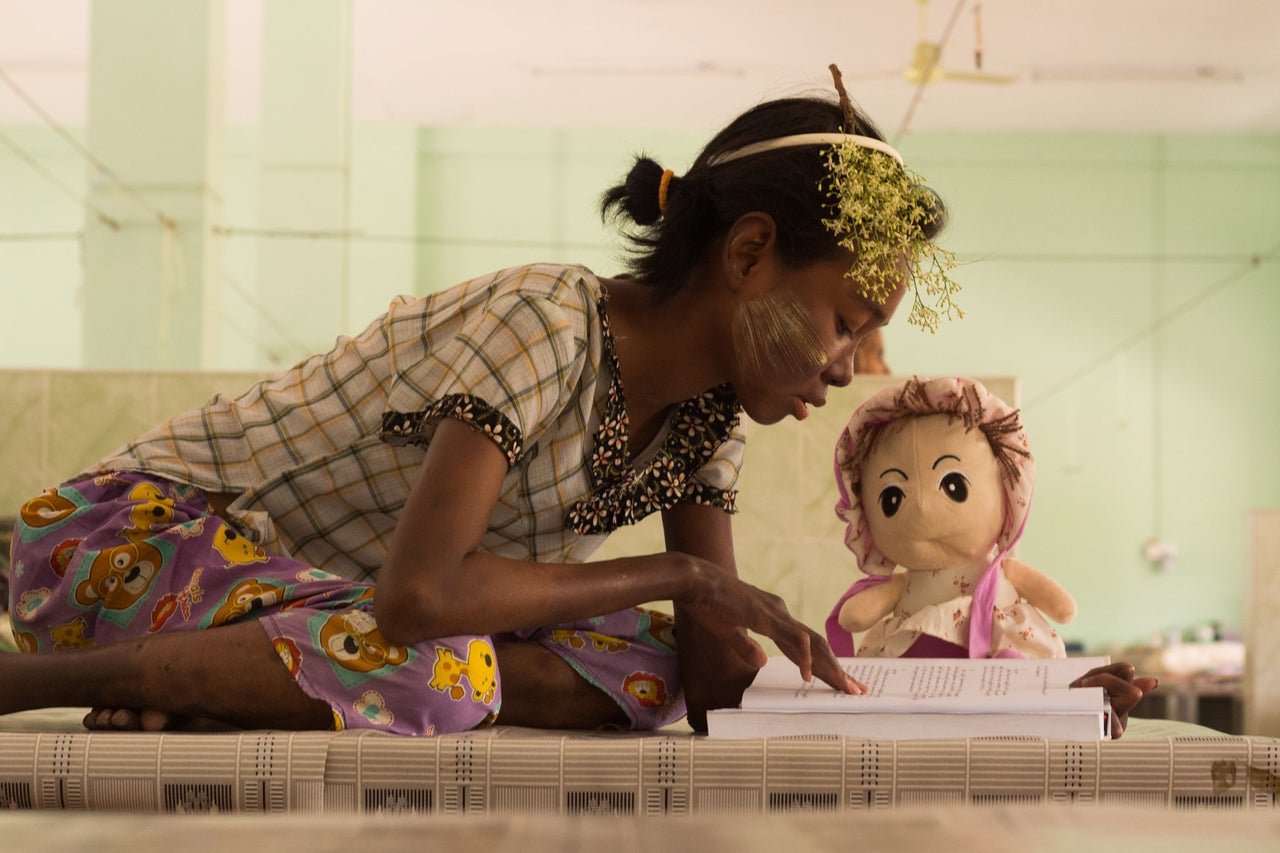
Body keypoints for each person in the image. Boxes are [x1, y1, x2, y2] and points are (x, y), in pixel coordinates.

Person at [2, 68, 1155, 737]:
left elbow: (715, 677)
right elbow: (421, 593)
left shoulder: (702, 421)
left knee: (651, 668)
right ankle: (33, 686)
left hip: (306, 605)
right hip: (134, 542)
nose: (855, 363)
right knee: (443, 658)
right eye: (847, 315)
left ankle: (240, 689)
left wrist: (1018, 698)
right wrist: (684, 575)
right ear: (749, 254)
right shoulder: (548, 320)